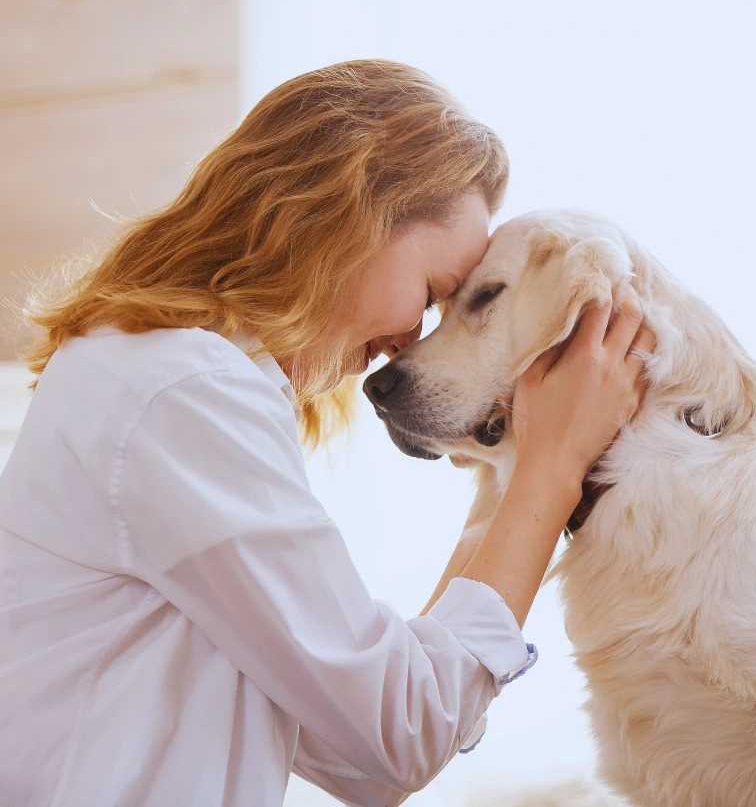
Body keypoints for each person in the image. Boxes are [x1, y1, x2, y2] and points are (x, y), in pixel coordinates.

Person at [0, 60, 653, 807]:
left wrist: (512, 472)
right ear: (349, 212)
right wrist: (551, 466)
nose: (411, 338)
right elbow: (399, 733)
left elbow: (364, 763)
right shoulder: (184, 391)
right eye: (435, 294)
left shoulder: (153, 375)